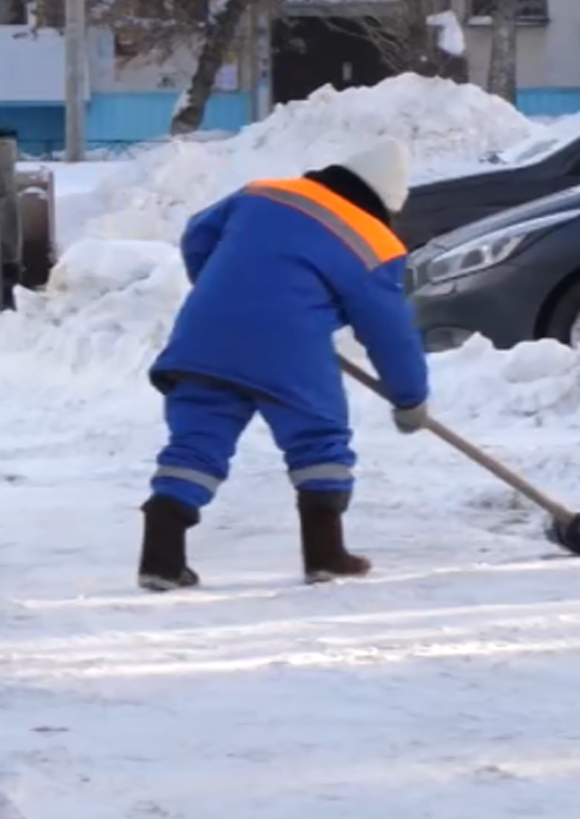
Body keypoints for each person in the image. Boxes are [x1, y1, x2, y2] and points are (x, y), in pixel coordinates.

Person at [138, 137, 431, 591]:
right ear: (386, 202)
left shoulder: (263, 193)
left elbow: (198, 233)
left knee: (196, 441)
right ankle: (325, 554)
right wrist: (409, 396)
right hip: (290, 351)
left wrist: (225, 286)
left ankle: (161, 555)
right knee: (318, 438)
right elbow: (388, 332)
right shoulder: (373, 243)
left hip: (205, 332)